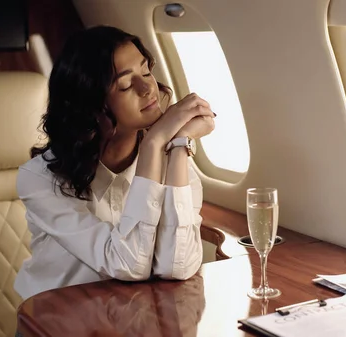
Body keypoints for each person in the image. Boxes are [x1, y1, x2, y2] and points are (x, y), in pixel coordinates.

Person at [13, 25, 215, 301]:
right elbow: (128, 263)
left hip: (128, 317)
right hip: (55, 322)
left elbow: (177, 266)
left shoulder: (173, 155)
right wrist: (154, 145)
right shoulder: (39, 179)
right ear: (89, 104)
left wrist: (178, 146)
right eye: (125, 85)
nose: (147, 89)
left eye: (146, 72)